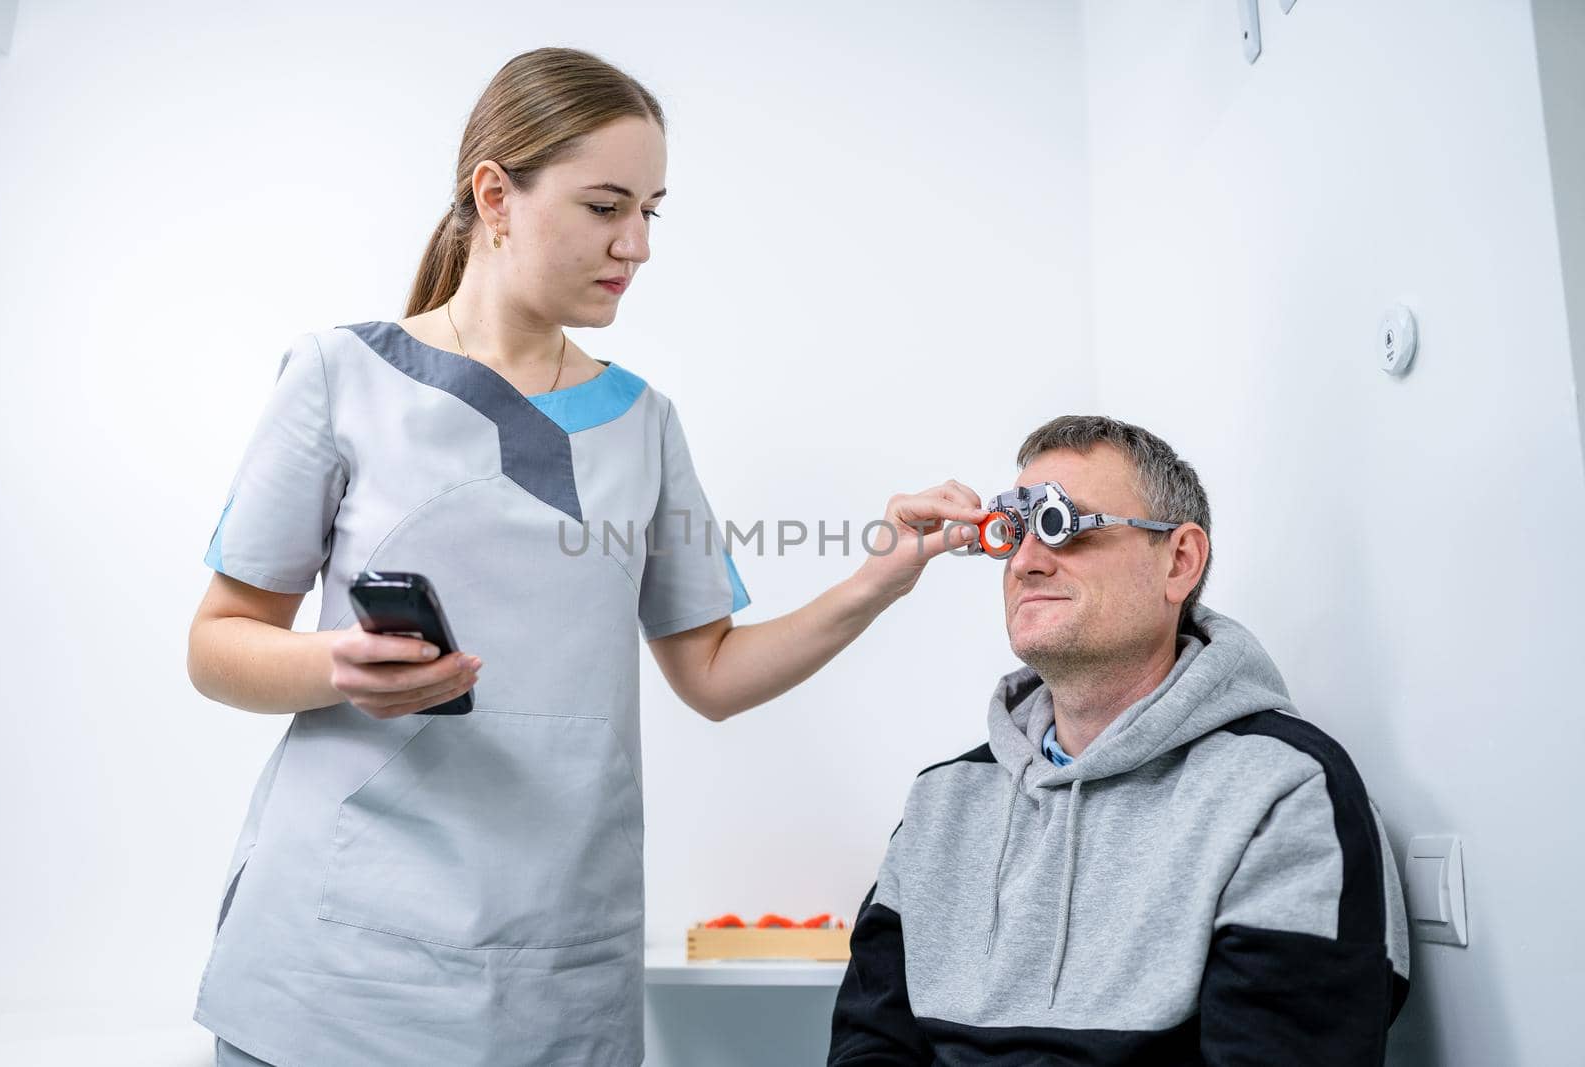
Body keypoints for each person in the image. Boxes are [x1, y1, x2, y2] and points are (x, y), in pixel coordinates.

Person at [186, 47, 984, 1067]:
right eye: (607, 205)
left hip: (554, 969)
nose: (638, 243)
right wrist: (335, 663)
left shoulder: (643, 423)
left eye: (653, 209)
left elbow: (711, 675)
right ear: (495, 195)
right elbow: (218, 643)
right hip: (335, 971)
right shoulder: (341, 375)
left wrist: (878, 576)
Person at [829, 415, 1410, 1066]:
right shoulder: (943, 802)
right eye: (1012, 531)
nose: (1025, 560)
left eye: (1060, 524)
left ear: (1179, 561)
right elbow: (867, 1047)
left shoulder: (1285, 796)